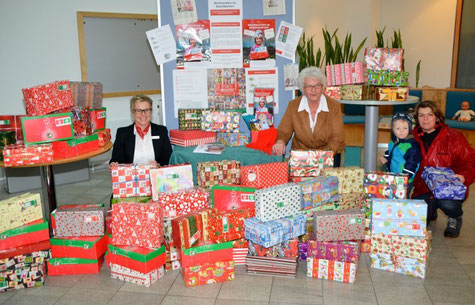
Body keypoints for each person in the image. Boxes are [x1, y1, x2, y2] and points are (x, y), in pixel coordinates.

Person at [411, 100, 475, 238]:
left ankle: (455, 216)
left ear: (437, 117)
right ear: (417, 119)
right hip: (422, 188)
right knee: (417, 220)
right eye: (421, 115)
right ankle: (431, 210)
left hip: (449, 189)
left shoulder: (454, 137)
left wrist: (464, 176)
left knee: (448, 203)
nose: (425, 118)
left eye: (430, 114)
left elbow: (471, 160)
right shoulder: (412, 137)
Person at [271, 66, 345, 166]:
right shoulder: (293, 106)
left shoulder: (334, 106)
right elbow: (284, 131)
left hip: (329, 154)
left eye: (317, 86)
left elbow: (337, 138)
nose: (313, 90)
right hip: (301, 155)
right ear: (303, 88)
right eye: (309, 86)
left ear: (322, 87)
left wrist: (319, 157)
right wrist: (280, 141)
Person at [110, 94, 172, 166]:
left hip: (156, 175)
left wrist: (158, 165)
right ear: (133, 112)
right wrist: (114, 164)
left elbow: (168, 160)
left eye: (146, 110)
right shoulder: (122, 133)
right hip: (131, 176)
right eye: (139, 110)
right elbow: (115, 160)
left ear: (151, 111)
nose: (143, 114)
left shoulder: (161, 131)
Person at [380, 112, 421, 195]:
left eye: (405, 128)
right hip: (394, 175)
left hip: (405, 178)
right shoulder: (393, 142)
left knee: (402, 198)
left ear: (409, 129)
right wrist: (386, 158)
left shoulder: (411, 146)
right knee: (392, 195)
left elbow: (412, 163)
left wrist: (405, 177)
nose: (402, 131)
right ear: (393, 130)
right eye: (398, 129)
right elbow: (391, 152)